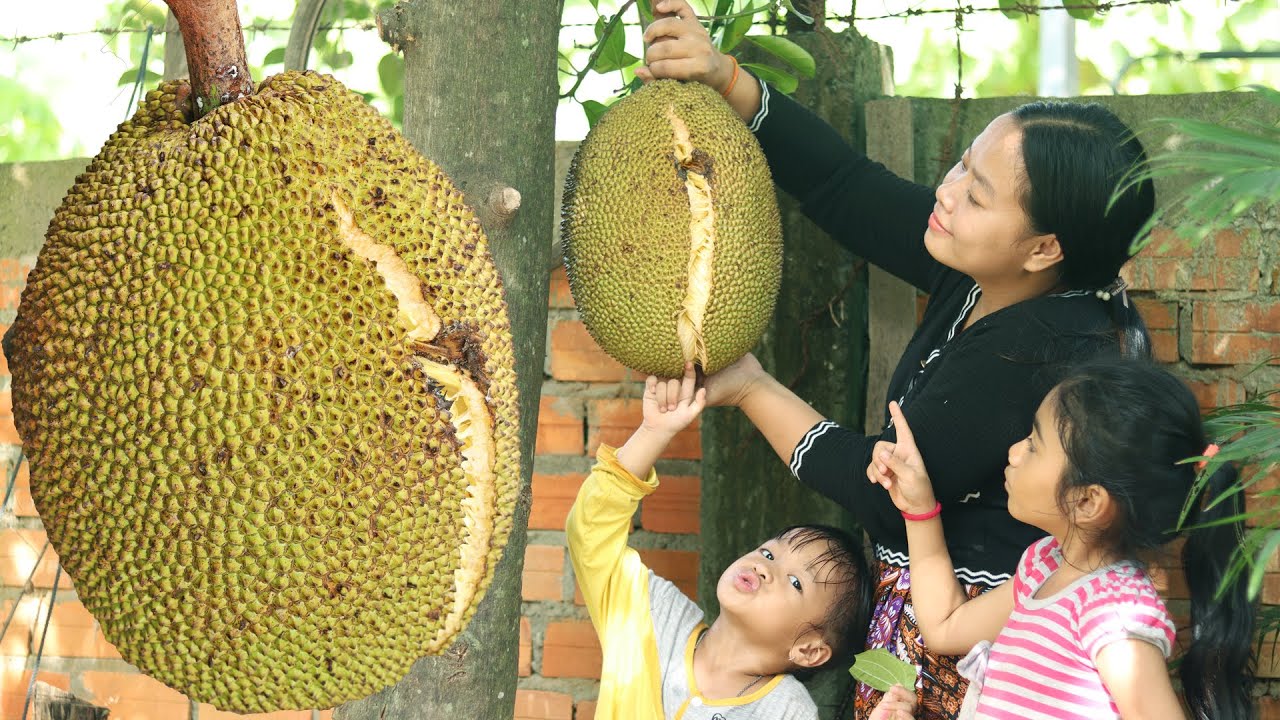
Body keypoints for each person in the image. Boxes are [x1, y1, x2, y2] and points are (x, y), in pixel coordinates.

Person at [637, 2, 1156, 716]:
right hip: (925, 616)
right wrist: (727, 78)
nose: (945, 194)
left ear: (1044, 249)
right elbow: (844, 187)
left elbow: (886, 483)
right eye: (960, 166)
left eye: (975, 194)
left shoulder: (1050, 351)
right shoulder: (988, 264)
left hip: (981, 657)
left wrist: (753, 388)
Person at [868, 359, 1255, 719]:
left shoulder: (1112, 613)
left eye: (1034, 444)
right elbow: (945, 625)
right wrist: (918, 506)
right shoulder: (1046, 566)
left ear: (1087, 500)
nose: (1015, 452)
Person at [566, 364, 876, 719]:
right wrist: (654, 431)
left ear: (808, 650)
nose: (765, 567)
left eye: (796, 582)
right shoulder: (656, 617)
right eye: (769, 552)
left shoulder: (786, 711)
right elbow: (590, 534)